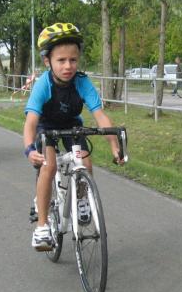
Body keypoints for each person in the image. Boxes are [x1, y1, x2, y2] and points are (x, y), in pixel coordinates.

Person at [23, 22, 124, 251]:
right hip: (45, 126)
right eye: (61, 60)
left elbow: (100, 115)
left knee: (86, 163)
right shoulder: (43, 85)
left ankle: (81, 200)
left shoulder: (82, 82)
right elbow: (30, 122)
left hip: (71, 125)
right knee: (49, 166)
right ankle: (41, 227)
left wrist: (114, 146)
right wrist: (29, 149)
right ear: (47, 61)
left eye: (73, 60)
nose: (68, 66)